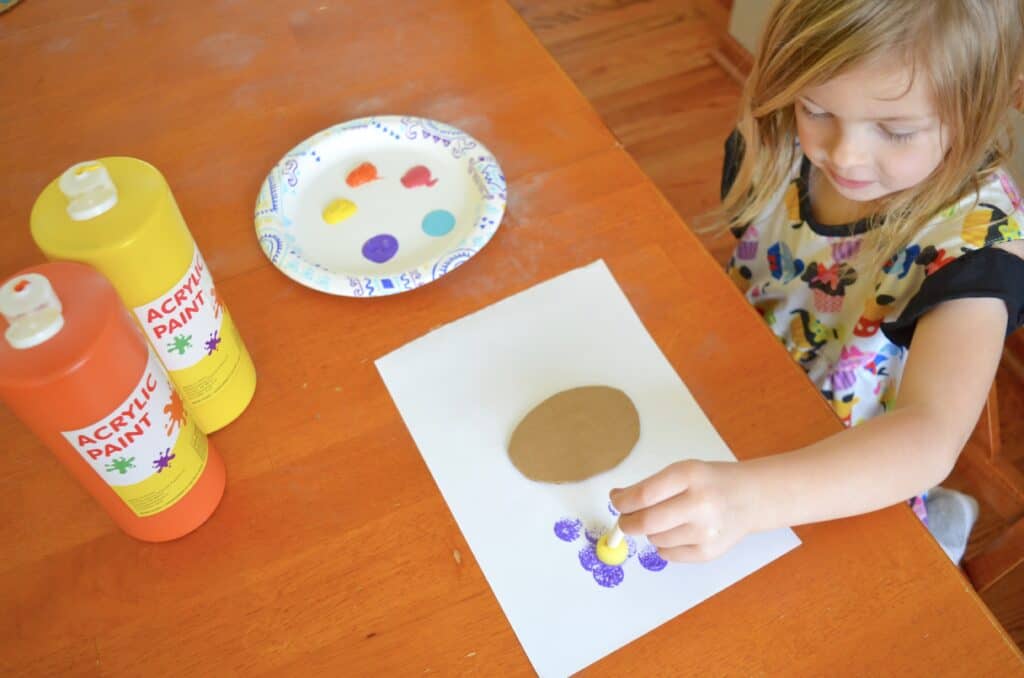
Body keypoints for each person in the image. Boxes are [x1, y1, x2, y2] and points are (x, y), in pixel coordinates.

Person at [612, 0, 1024, 565]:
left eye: (896, 130)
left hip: (847, 466)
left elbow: (930, 435)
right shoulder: (778, 142)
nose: (844, 153)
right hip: (741, 394)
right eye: (816, 109)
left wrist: (749, 502)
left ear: (976, 110)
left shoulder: (977, 243)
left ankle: (942, 522)